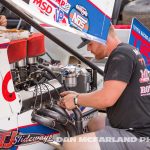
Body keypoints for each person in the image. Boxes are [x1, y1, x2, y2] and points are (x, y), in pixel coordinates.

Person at [59, 25, 150, 150]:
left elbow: (106, 100)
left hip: (137, 134)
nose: (88, 48)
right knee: (93, 121)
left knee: (71, 144)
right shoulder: (128, 50)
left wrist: (75, 100)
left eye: (90, 43)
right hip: (137, 125)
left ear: (101, 38)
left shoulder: (121, 55)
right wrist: (77, 96)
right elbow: (110, 95)